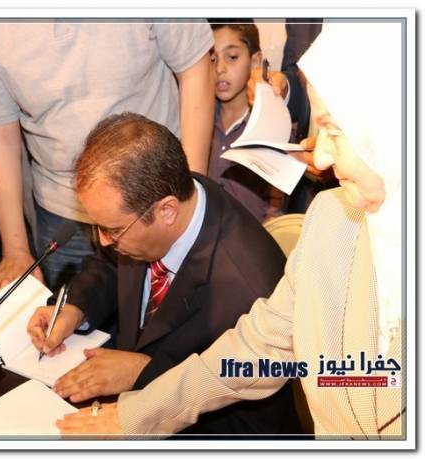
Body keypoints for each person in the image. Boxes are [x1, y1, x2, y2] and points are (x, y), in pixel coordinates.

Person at [55, 116, 404, 438]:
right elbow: (257, 349)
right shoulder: (331, 214)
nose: (322, 156)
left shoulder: (248, 278)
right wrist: (133, 415)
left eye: (337, 132)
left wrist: (143, 376)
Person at [28, 113, 304, 437]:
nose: (103, 241)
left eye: (113, 230)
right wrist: (76, 308)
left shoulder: (251, 288)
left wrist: (144, 373)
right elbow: (109, 263)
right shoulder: (164, 192)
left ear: (167, 211)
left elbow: (250, 429)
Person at [0, 21, 215, 293]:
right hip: (62, 213)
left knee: (169, 312)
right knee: (70, 314)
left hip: (153, 200)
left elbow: (195, 68)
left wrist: (190, 196)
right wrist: (15, 250)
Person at [208, 20, 323, 222]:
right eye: (212, 59)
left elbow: (278, 203)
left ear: (255, 61)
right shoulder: (201, 122)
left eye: (232, 57)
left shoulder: (273, 125)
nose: (220, 68)